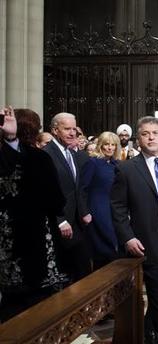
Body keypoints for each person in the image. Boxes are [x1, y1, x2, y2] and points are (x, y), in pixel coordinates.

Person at [111, 117, 158, 344]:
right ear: (138, 138)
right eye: (145, 133)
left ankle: (147, 330)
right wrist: (128, 237)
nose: (151, 137)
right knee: (157, 291)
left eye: (155, 132)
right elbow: (117, 206)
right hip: (147, 239)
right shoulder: (127, 169)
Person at [0, 107, 68, 321]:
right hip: (27, 247)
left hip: (23, 249)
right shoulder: (38, 158)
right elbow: (56, 201)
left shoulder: (35, 157)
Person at [43, 112, 92, 282]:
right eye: (67, 129)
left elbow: (76, 188)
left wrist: (84, 211)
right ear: (55, 130)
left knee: (82, 271)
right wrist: (60, 219)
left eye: (74, 129)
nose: (72, 133)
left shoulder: (70, 153)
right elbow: (46, 192)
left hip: (76, 222)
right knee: (68, 274)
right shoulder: (47, 154)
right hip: (60, 225)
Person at [80, 132, 121, 269]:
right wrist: (85, 212)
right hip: (97, 211)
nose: (110, 148)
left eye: (113, 145)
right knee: (103, 250)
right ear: (100, 146)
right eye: (106, 144)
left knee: (115, 249)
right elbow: (82, 189)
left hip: (114, 210)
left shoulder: (117, 164)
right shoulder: (93, 162)